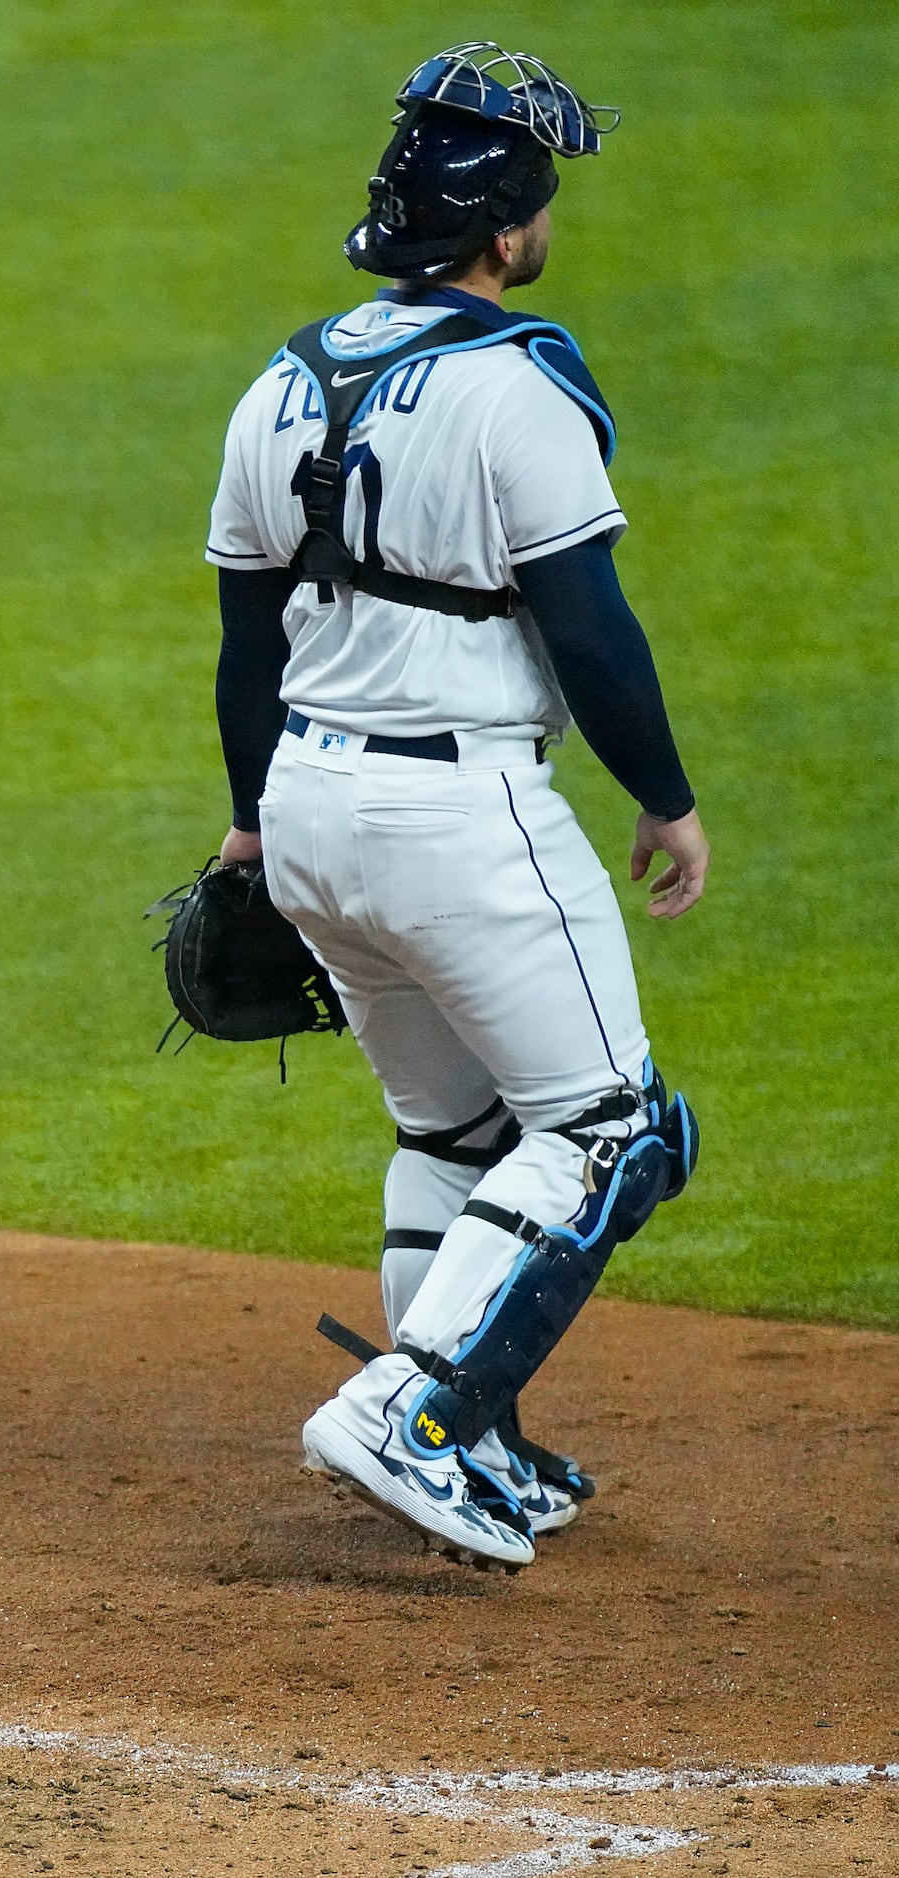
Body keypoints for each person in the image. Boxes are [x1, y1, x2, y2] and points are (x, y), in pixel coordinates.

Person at [202, 43, 703, 1570]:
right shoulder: (515, 388)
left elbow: (245, 645)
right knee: (615, 1132)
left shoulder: (276, 383)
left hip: (305, 808)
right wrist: (665, 798)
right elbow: (589, 631)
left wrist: (244, 828)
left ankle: (454, 1419)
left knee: (454, 1126)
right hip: (459, 821)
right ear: (503, 234)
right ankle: (413, 1411)